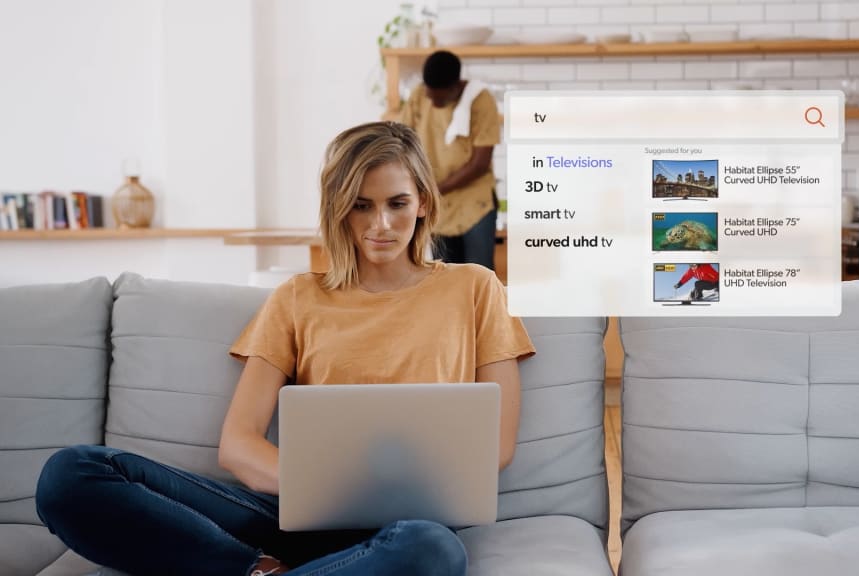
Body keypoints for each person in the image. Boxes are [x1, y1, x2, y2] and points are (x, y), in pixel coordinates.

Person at [34, 122, 535, 576]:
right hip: (295, 514)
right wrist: (328, 489)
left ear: (423, 201)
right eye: (361, 204)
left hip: (410, 526)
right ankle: (257, 570)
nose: (380, 224)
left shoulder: (475, 287)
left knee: (433, 550)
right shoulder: (298, 297)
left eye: (396, 203)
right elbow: (239, 444)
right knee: (72, 475)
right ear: (338, 208)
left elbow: (496, 446)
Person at [400, 50, 500, 269]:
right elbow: (402, 142)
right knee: (446, 278)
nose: (434, 102)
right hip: (439, 208)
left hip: (475, 204)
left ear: (456, 87)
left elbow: (479, 164)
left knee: (479, 275)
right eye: (430, 96)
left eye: (440, 98)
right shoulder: (419, 96)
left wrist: (435, 190)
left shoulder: (480, 100)